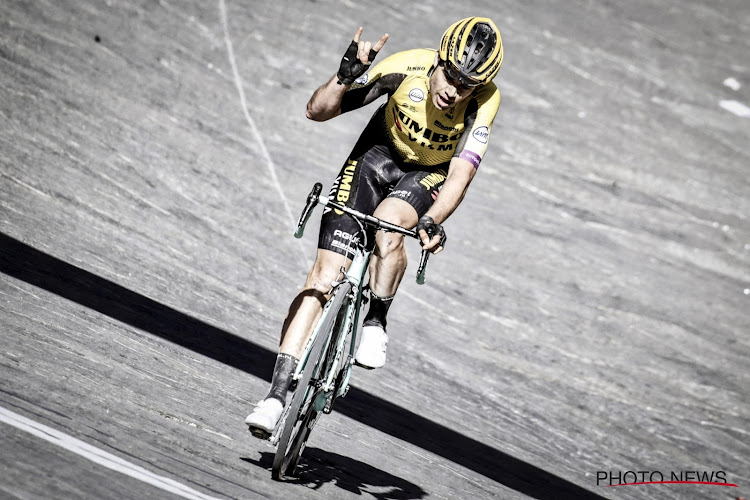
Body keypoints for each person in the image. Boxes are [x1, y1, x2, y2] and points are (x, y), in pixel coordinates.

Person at [246, 17, 503, 438]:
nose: (454, 90)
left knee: (388, 226)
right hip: (376, 157)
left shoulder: (483, 102)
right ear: (440, 59)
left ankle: (376, 318)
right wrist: (343, 78)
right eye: (452, 75)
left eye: (467, 84)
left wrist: (433, 220)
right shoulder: (406, 68)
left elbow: (460, 175)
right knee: (323, 276)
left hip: (428, 175)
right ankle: (275, 397)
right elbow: (316, 111)